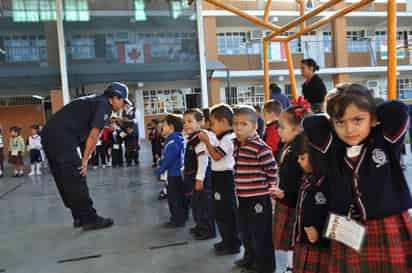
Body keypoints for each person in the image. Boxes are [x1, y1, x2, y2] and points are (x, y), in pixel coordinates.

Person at [303, 83, 412, 273]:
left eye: (357, 120)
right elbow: (311, 123)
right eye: (340, 122)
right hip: (345, 226)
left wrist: (371, 111)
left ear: (373, 118)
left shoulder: (385, 140)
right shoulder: (332, 148)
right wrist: (334, 113)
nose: (349, 129)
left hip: (386, 224)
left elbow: (397, 109)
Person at [41, 82, 131, 231]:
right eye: (123, 101)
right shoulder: (105, 107)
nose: (122, 105)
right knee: (77, 176)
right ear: (115, 97)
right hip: (63, 137)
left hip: (48, 134)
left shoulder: (94, 101)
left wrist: (83, 156)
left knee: (64, 178)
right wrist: (84, 160)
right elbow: (93, 136)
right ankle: (89, 219)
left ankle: (78, 216)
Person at [233, 106, 278, 273]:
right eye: (235, 123)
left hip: (259, 198)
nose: (238, 128)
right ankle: (250, 259)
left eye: (243, 124)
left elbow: (272, 171)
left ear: (254, 127)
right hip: (243, 197)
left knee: (261, 234)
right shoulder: (237, 145)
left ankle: (265, 265)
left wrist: (270, 192)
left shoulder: (260, 147)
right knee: (246, 231)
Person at [272, 98, 311, 273]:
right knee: (289, 241)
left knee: (295, 238)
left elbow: (301, 180)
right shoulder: (287, 145)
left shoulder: (301, 148)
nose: (277, 130)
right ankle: (289, 267)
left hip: (293, 201)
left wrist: (284, 194)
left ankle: (292, 267)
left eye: (281, 126)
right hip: (285, 198)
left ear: (298, 129)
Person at [198, 104, 242, 256]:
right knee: (220, 212)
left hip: (226, 178)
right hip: (218, 175)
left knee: (228, 212)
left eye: (213, 122)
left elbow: (216, 155)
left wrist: (207, 142)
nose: (211, 126)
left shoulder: (230, 138)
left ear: (223, 122)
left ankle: (233, 244)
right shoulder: (221, 137)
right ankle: (226, 240)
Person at [293, 135, 330, 273]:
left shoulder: (327, 183)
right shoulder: (307, 177)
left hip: (319, 245)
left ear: (316, 158)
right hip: (303, 241)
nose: (298, 161)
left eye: (302, 158)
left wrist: (320, 232)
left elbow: (333, 214)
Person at [183, 108, 215, 240]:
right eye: (184, 122)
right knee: (195, 204)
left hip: (200, 177)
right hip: (192, 176)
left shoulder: (200, 138)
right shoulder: (191, 138)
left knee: (204, 205)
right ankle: (199, 225)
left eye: (190, 121)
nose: (186, 124)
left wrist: (199, 179)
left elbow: (203, 160)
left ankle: (207, 230)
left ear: (201, 122)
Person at [155, 114, 186, 228]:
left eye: (165, 126)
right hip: (177, 174)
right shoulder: (176, 139)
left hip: (174, 174)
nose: (162, 128)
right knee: (178, 198)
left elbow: (168, 160)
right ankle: (180, 218)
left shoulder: (173, 142)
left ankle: (177, 220)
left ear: (171, 127)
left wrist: (159, 171)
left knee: (174, 199)